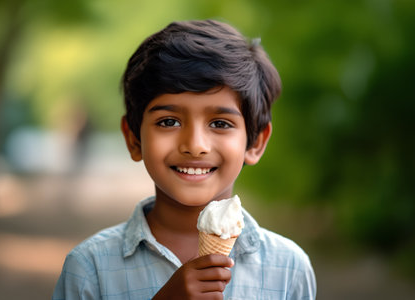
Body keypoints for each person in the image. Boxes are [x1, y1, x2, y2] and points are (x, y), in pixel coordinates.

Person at [52, 19, 316, 299]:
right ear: (133, 139)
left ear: (256, 142)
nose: (195, 145)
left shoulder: (288, 269)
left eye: (221, 123)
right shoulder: (90, 269)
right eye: (168, 122)